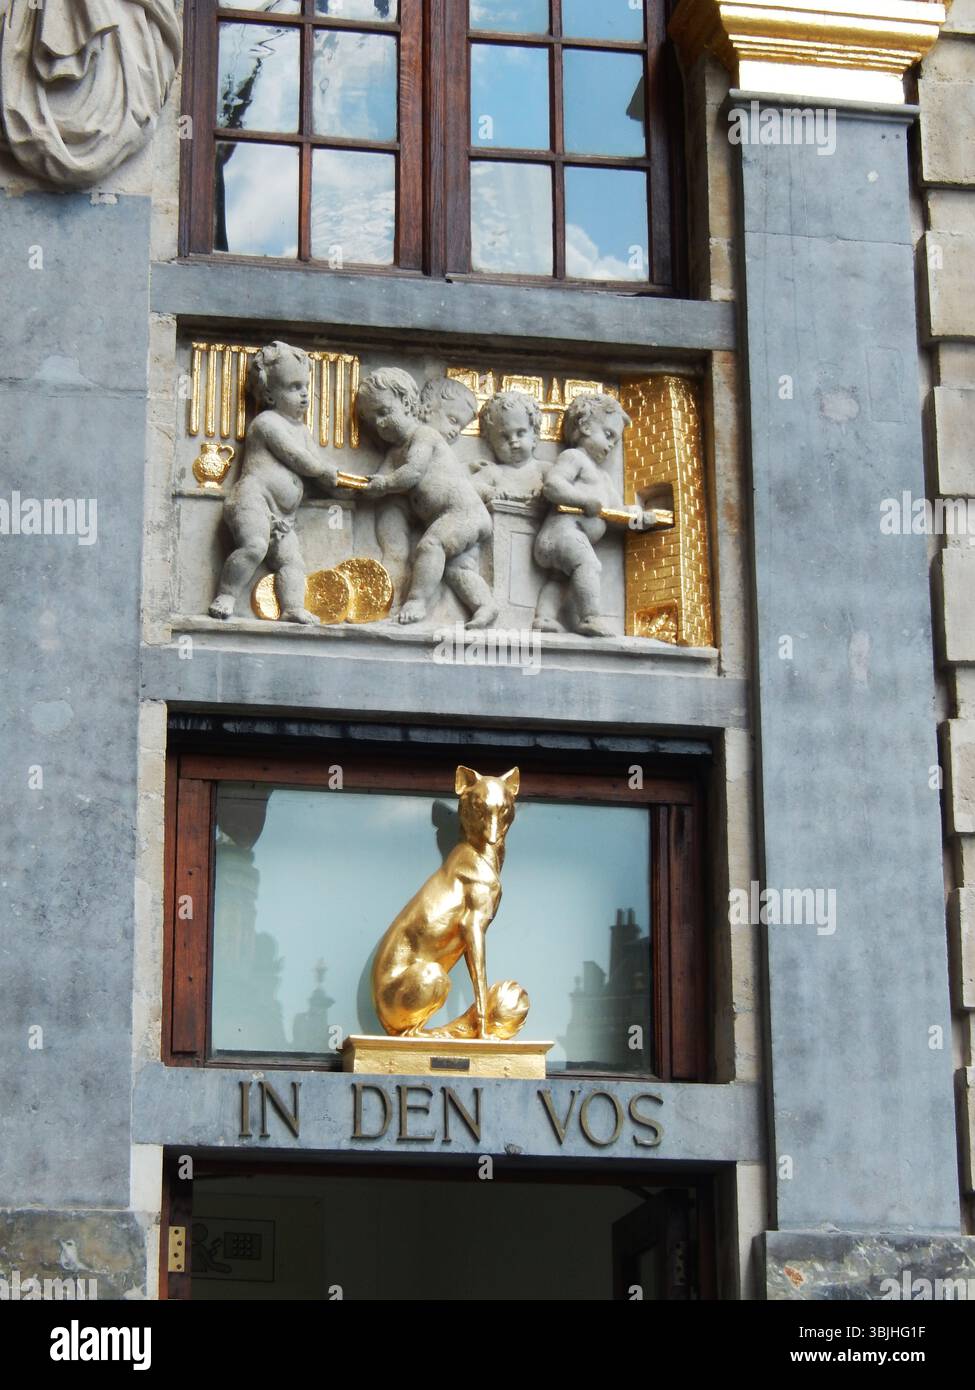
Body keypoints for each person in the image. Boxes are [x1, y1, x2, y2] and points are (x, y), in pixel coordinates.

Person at [358, 368, 497, 629]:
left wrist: (386, 484)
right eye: (371, 419)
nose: (379, 424)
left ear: (409, 404)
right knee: (458, 570)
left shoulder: (424, 436)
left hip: (463, 513)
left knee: (430, 546)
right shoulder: (393, 454)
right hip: (457, 517)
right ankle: (484, 605)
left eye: (384, 412)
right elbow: (372, 484)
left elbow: (413, 472)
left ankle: (417, 601)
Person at [209, 342, 338, 624]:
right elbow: (297, 458)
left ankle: (291, 607)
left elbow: (315, 465)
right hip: (252, 501)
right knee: (254, 546)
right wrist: (324, 470)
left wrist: (339, 481)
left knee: (292, 561)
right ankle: (227, 594)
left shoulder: (302, 430)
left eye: (305, 386)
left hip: (283, 517)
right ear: (269, 394)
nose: (304, 394)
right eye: (293, 387)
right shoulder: (266, 423)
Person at [532, 392, 634, 638]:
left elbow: (618, 511)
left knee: (560, 579)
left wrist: (639, 516)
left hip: (567, 542)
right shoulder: (574, 458)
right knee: (589, 564)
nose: (611, 445)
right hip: (562, 534)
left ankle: (544, 618)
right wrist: (583, 501)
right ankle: (590, 617)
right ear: (585, 426)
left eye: (615, 442)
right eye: (608, 435)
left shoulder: (604, 478)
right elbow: (553, 486)